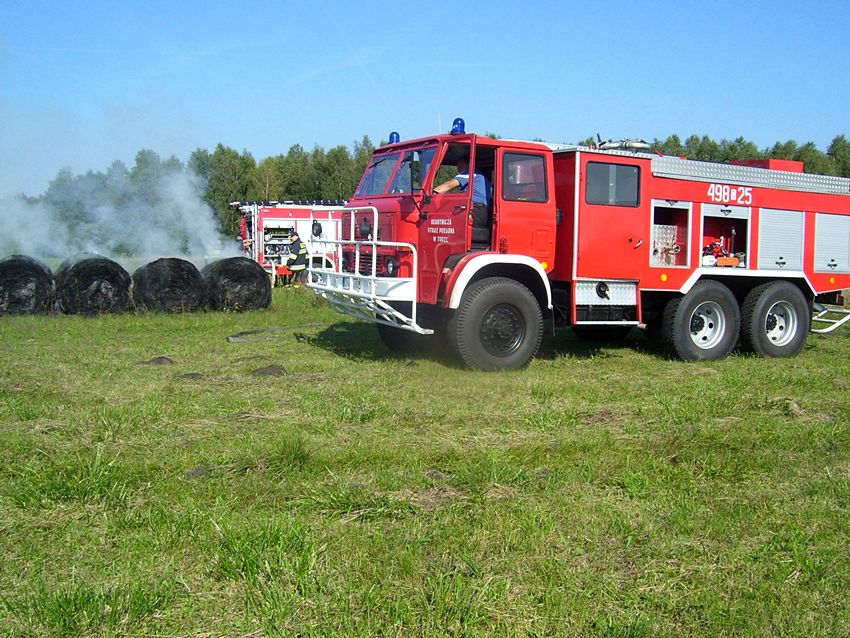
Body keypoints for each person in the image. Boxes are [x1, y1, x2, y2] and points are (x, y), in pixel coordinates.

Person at [433, 156, 491, 228]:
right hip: (480, 212)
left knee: (441, 222)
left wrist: (431, 194)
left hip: (476, 211)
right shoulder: (480, 177)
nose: (458, 166)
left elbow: (449, 185)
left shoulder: (471, 173)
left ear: (467, 164)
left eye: (459, 163)